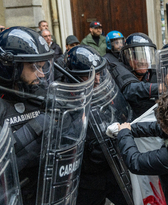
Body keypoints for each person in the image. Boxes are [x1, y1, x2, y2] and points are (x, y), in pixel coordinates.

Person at [65, 45, 130, 205]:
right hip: (88, 178)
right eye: (88, 76)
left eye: (99, 73)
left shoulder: (103, 91)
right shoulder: (64, 102)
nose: (97, 80)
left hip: (113, 169)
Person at [0, 26, 55, 204]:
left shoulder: (38, 91)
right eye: (33, 67)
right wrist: (38, 125)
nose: (40, 74)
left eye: (42, 67)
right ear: (11, 67)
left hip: (47, 190)